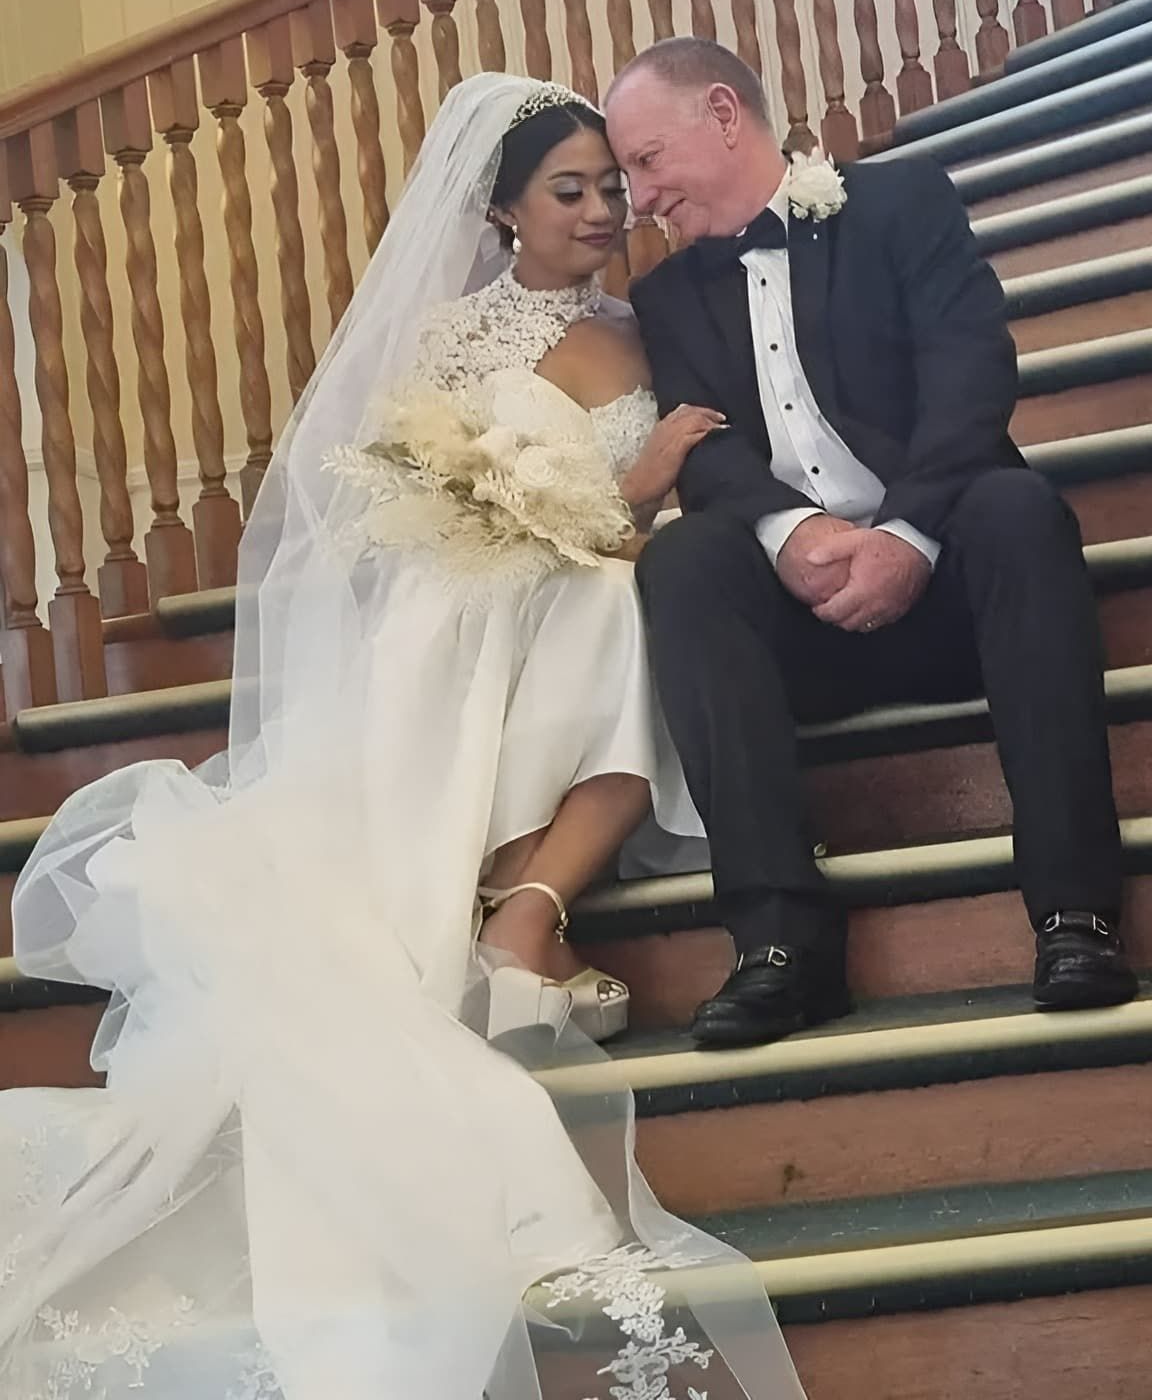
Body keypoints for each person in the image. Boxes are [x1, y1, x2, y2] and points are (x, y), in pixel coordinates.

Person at [0, 75, 806, 1400]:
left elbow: (656, 505)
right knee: (576, 600)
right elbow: (395, 513)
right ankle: (512, 893)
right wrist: (585, 499)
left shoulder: (649, 326)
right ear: (499, 208)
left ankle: (528, 901)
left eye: (614, 187)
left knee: (622, 599)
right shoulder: (446, 346)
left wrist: (627, 504)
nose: (605, 211)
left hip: (601, 576)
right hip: (469, 593)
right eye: (572, 191)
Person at [604, 38, 1139, 1051]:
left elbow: (971, 378)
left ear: (724, 114)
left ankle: (1076, 913)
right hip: (799, 617)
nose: (637, 198)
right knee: (684, 561)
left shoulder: (899, 205)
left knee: (1018, 510)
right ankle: (780, 948)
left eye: (645, 161)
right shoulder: (666, 298)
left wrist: (902, 535)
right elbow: (704, 451)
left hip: (945, 586)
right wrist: (789, 529)